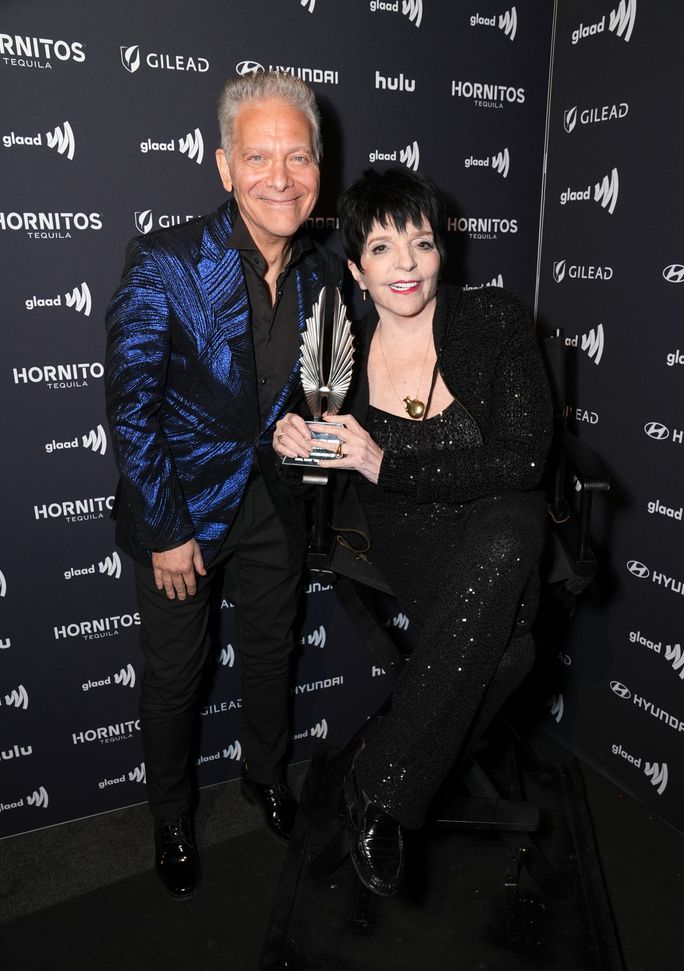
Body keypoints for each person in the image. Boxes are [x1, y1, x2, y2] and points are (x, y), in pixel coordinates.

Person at [273, 167, 552, 895]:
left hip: (501, 514)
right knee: (512, 654)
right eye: (382, 248)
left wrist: (385, 462)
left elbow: (523, 459)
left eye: (421, 243)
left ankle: (382, 785)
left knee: (505, 540)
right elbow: (304, 476)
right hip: (409, 532)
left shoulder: (491, 319)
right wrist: (291, 444)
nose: (406, 264)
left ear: (440, 252)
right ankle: (395, 767)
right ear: (357, 271)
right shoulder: (338, 351)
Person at [105, 71, 342, 900]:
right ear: (224, 165)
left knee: (273, 654)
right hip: (182, 511)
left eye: (298, 157)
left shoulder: (321, 273)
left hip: (275, 505)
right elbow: (131, 409)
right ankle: (171, 815)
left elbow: (315, 392)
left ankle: (264, 777)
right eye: (258, 156)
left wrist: (309, 430)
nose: (281, 177)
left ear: (318, 168)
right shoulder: (165, 263)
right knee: (176, 678)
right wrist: (167, 529)